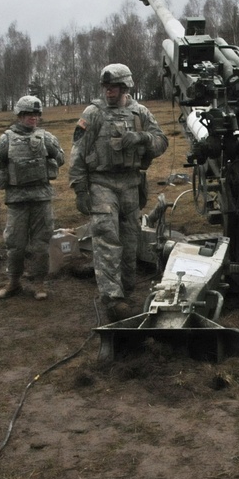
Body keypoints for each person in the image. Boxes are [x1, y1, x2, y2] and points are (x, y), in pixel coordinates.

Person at [68, 63, 168, 322]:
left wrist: (142, 138)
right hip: (101, 184)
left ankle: (127, 290)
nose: (109, 91)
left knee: (131, 239)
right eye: (106, 87)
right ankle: (112, 298)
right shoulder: (93, 113)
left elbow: (161, 142)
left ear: (125, 87)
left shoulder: (140, 112)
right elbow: (77, 154)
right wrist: (81, 189)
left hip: (131, 184)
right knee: (106, 238)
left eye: (113, 87)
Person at [0, 95, 65, 300]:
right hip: (17, 199)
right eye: (29, 114)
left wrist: (51, 155)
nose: (34, 118)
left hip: (41, 197)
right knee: (15, 243)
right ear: (20, 116)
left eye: (36, 114)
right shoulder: (6, 139)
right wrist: (5, 173)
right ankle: (14, 282)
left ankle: (39, 283)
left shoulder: (45, 137)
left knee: (41, 242)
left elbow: (61, 157)